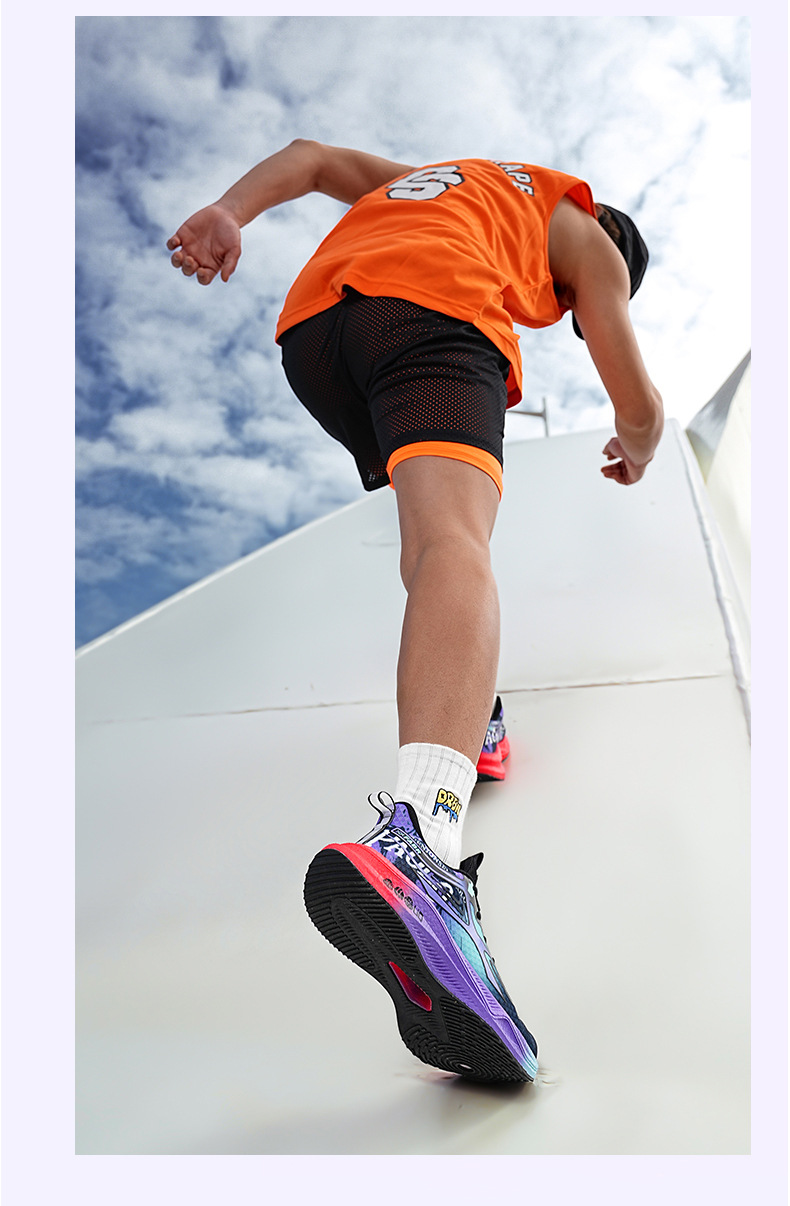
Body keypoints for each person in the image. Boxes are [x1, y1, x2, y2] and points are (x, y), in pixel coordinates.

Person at [168, 140, 664, 1084]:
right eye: (566, 307)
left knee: (434, 537)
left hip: (319, 336)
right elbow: (635, 400)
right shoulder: (586, 232)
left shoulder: (448, 185)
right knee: (459, 542)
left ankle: (471, 713)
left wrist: (230, 211)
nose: (561, 310)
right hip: (432, 315)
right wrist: (638, 445)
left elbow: (314, 158)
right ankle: (424, 846)